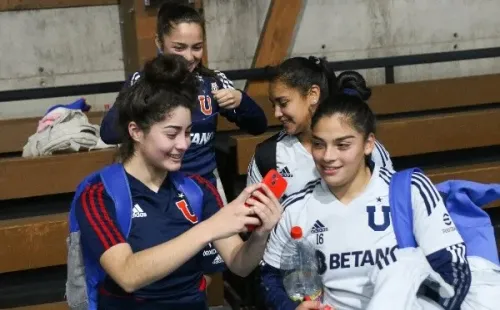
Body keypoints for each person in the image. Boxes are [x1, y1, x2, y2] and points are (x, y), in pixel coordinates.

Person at [76, 54, 282, 310]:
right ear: (136, 131)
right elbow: (127, 275)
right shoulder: (99, 195)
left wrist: (260, 235)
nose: (184, 144)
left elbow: (239, 264)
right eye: (172, 134)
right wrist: (209, 228)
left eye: (188, 133)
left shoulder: (199, 189)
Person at [260, 74, 471, 310]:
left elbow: (453, 270)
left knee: (403, 265)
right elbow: (270, 278)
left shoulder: (408, 189)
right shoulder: (296, 207)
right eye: (319, 144)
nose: (328, 156)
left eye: (343, 145)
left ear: (368, 144)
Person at [100, 2, 268, 281]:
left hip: (204, 192)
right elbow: (109, 133)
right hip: (155, 193)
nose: (189, 57)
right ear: (158, 42)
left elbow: (258, 125)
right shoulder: (144, 83)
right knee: (157, 266)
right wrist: (142, 102)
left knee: (209, 275)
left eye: (197, 47)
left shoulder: (213, 82)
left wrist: (241, 101)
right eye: (179, 47)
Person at [246, 57, 393, 198]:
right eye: (273, 105)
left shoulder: (367, 149)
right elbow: (252, 218)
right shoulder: (268, 156)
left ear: (313, 94)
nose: (277, 113)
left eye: (283, 103)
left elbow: (392, 200)